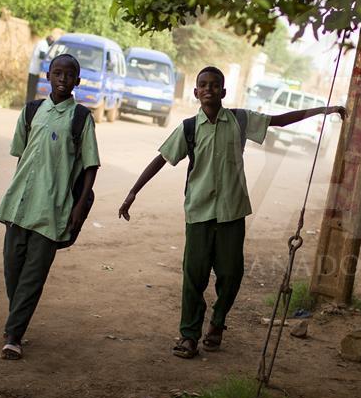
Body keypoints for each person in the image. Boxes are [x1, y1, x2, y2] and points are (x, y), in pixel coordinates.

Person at [118, 66, 345, 359]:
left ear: (223, 92)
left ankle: (218, 322)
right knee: (193, 276)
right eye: (203, 85)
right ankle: (189, 336)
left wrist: (322, 110)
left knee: (231, 273)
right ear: (196, 92)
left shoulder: (239, 120)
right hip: (199, 212)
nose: (209, 89)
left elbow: (279, 121)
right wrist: (133, 192)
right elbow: (161, 159)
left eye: (215, 85)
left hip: (231, 212)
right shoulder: (188, 128)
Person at [0, 54, 100, 360]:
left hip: (54, 208)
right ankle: (17, 318)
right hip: (20, 205)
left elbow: (90, 165)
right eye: (57, 73)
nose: (63, 79)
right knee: (12, 268)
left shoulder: (80, 118)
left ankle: (14, 335)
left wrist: (79, 206)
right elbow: (20, 156)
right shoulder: (31, 111)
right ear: (48, 76)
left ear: (77, 82)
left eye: (69, 75)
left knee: (33, 274)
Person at [26, 35, 55, 102]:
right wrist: (51, 59)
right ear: (49, 40)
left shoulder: (43, 43)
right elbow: (42, 55)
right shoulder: (43, 44)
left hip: (35, 70)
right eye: (52, 42)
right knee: (32, 89)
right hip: (35, 70)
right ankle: (29, 103)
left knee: (32, 89)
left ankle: (29, 103)